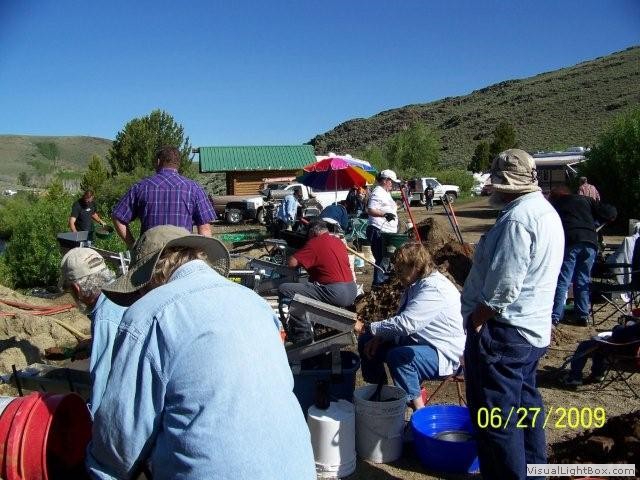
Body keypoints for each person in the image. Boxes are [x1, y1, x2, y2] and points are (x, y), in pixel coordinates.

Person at [88, 225, 316, 479]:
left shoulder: (149, 315)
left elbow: (118, 447)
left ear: (149, 278)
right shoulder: (255, 302)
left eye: (139, 290)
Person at [461, 149, 564, 480]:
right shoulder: (545, 212)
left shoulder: (517, 220)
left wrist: (477, 320)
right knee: (525, 411)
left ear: (505, 184)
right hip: (531, 331)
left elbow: (504, 287)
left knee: (496, 421)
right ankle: (533, 473)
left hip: (505, 333)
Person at [353, 243, 465, 410]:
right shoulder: (416, 285)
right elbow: (401, 322)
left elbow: (407, 324)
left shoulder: (434, 289)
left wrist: (368, 327)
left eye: (401, 269)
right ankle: (379, 391)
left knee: (399, 357)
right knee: (367, 341)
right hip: (422, 342)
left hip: (444, 351)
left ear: (416, 266)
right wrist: (379, 336)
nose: (397, 273)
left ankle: (419, 411)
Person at [58, 248, 126, 415]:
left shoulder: (104, 317)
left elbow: (103, 383)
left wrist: (92, 421)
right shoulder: (122, 294)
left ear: (77, 289)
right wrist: (92, 346)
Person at [112, 146, 215, 248]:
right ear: (178, 164)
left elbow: (118, 217)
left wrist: (133, 246)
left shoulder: (141, 187)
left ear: (158, 162)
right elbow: (205, 229)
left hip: (149, 254)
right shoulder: (194, 188)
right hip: (182, 254)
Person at [279, 220, 358, 345]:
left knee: (285, 289)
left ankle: (301, 334)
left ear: (312, 232)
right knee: (308, 290)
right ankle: (310, 326)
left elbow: (291, 263)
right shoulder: (338, 241)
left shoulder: (314, 243)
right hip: (352, 290)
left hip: (335, 292)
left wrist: (295, 252)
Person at [549, 185, 617, 326]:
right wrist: (598, 224)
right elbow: (610, 212)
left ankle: (556, 316)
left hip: (571, 240)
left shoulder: (556, 205)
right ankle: (582, 315)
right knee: (583, 280)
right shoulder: (586, 200)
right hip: (590, 241)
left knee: (564, 279)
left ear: (555, 197)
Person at [563, 319, 640, 386]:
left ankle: (574, 377)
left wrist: (618, 327)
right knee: (601, 344)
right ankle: (597, 374)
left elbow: (618, 333)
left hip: (627, 353)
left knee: (585, 345)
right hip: (632, 350)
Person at [366, 170, 399, 285]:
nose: (393, 184)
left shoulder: (385, 192)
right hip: (378, 230)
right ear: (385, 180)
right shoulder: (378, 192)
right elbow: (370, 209)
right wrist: (384, 214)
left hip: (386, 230)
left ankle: (382, 282)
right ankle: (378, 285)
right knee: (382, 259)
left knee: (386, 258)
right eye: (391, 181)